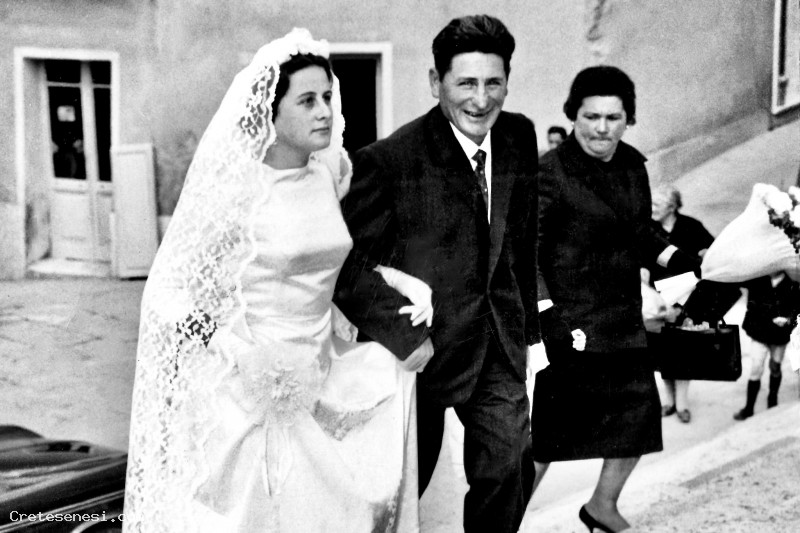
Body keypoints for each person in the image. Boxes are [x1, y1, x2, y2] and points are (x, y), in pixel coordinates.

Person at [123, 28, 430, 532]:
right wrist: (235, 351)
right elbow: (166, 293)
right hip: (251, 389)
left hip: (324, 369)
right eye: (307, 101)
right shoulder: (236, 193)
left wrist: (400, 281)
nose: (324, 111)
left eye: (327, 97)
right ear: (270, 111)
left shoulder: (328, 171)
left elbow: (331, 259)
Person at [334, 15, 539, 533]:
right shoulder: (388, 162)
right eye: (466, 83)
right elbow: (345, 268)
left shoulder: (518, 136)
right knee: (398, 491)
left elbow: (521, 239)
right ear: (435, 82)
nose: (481, 100)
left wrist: (531, 335)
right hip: (416, 358)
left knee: (509, 466)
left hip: (495, 345)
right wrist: (406, 337)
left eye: (493, 83)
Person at [532, 65, 702, 533]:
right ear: (573, 116)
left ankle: (601, 507)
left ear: (629, 119)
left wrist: (678, 258)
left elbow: (640, 232)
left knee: (635, 425)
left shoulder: (631, 165)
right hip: (571, 329)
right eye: (591, 117)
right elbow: (528, 255)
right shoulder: (549, 172)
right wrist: (547, 316)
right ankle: (500, 524)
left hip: (623, 323)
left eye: (613, 117)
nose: (601, 129)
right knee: (545, 442)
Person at [649, 184, 715, 423]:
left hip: (687, 299)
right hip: (658, 300)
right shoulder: (648, 228)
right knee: (662, 353)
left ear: (672, 206)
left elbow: (710, 250)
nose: (652, 208)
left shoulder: (691, 226)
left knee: (684, 351)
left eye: (657, 204)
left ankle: (682, 404)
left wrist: (705, 254)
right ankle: (668, 401)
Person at [733, 271, 800, 420]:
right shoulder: (758, 279)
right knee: (756, 368)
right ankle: (749, 408)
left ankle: (772, 401)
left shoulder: (792, 282)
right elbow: (749, 301)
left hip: (780, 335)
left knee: (775, 367)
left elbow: (797, 308)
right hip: (759, 333)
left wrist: (788, 319)